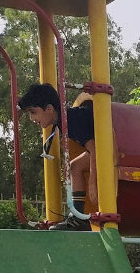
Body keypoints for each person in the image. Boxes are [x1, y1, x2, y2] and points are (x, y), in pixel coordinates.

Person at [18, 84, 95, 231]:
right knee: (74, 166)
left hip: (114, 146)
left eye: (33, 112)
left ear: (49, 109)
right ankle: (78, 215)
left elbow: (95, 149)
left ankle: (79, 217)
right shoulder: (64, 121)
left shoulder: (71, 120)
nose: (32, 118)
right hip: (103, 147)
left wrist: (92, 183)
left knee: (75, 166)